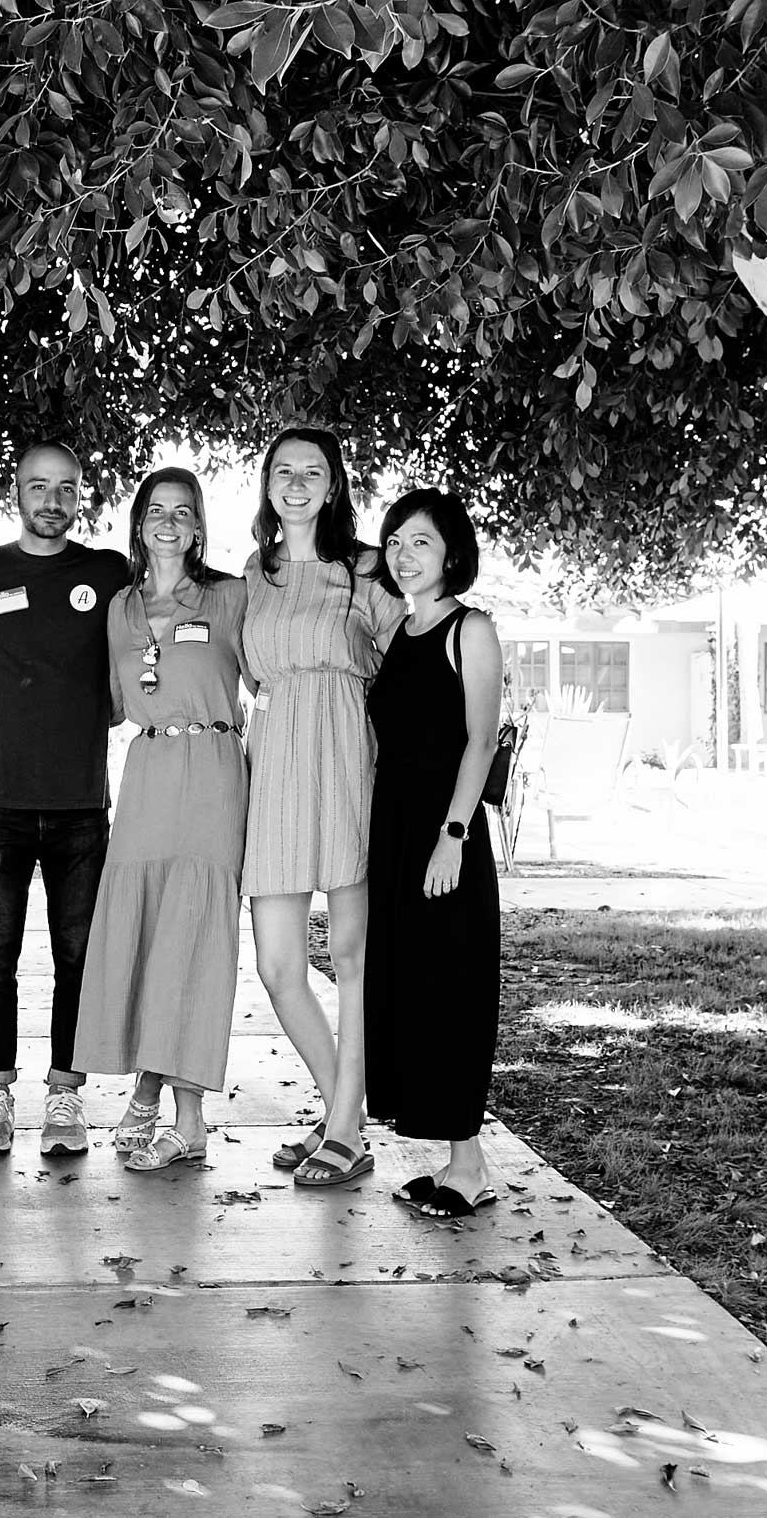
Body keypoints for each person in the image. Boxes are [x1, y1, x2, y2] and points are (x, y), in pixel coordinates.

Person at [0, 441, 130, 1156]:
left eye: (66, 489)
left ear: (82, 495)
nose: (52, 501)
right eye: (38, 486)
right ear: (14, 489)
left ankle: (66, 1096)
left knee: (80, 956)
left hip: (82, 802)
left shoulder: (109, 572)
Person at [72, 469, 253, 1170]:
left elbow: (268, 673)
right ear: (139, 523)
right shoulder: (118, 607)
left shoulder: (230, 596)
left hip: (211, 768)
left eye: (183, 511)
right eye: (156, 511)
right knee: (146, 933)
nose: (169, 522)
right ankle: (147, 1083)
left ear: (200, 525)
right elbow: (112, 701)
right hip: (145, 772)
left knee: (196, 936)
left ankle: (188, 1117)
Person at [241, 427, 405, 1188]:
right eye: (284, 469)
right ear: (269, 483)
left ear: (335, 484)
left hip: (342, 750)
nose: (297, 481)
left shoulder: (365, 567)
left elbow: (412, 651)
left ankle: (343, 1126)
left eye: (313, 470)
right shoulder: (258, 569)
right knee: (278, 964)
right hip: (274, 757)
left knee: (349, 955)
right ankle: (347, 1112)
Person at [365, 488, 502, 1219]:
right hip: (395, 831)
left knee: (453, 991)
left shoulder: (468, 629)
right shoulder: (401, 628)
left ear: (451, 552)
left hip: (446, 836)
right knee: (412, 990)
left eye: (420, 541)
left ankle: (471, 1166)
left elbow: (480, 739)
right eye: (394, 542)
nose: (403, 554)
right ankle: (452, 1158)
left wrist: (454, 833)